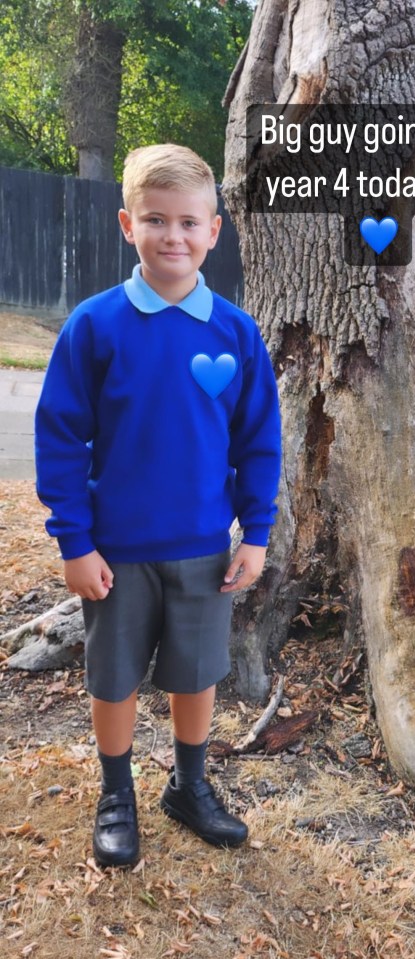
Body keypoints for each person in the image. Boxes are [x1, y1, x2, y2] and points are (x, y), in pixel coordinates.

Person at [34, 143, 281, 868]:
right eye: (155, 220)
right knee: (113, 677)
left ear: (214, 229)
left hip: (205, 547)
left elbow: (259, 441)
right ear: (126, 225)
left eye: (188, 222)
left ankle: (190, 784)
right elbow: (60, 438)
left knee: (196, 673)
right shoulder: (96, 325)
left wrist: (255, 533)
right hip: (116, 553)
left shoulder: (235, 333)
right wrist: (75, 542)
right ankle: (117, 792)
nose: (172, 236)